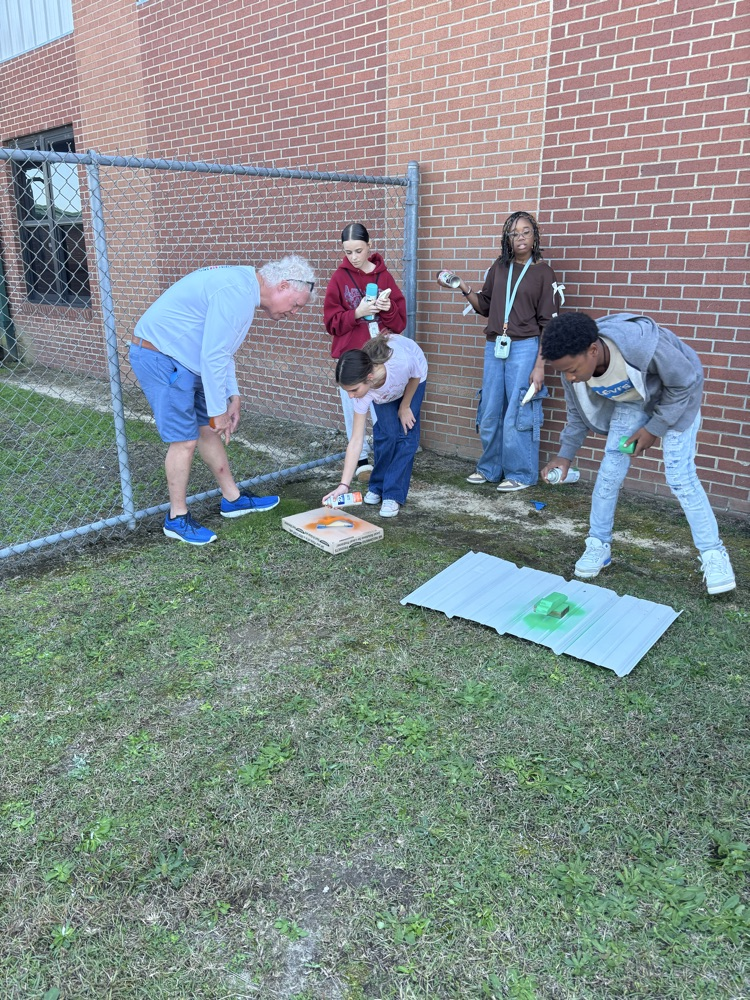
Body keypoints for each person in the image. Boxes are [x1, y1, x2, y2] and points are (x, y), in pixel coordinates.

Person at [540, 311, 736, 595]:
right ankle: (598, 544)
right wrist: (564, 455)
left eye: (572, 369)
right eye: (563, 372)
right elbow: (576, 415)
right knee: (609, 473)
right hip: (632, 401)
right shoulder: (572, 372)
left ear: (593, 350)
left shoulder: (642, 346)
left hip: (678, 397)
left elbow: (684, 382)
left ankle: (713, 555)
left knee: (680, 476)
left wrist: (654, 429)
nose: (570, 378)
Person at [130, 255, 315, 545]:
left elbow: (222, 350)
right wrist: (218, 412)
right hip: (161, 355)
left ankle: (233, 499)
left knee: (207, 430)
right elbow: (214, 355)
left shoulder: (245, 290)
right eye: (295, 305)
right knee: (185, 439)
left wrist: (233, 396)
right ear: (281, 286)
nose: (294, 312)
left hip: (190, 360)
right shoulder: (237, 293)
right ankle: (176, 518)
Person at [439, 211, 560, 491]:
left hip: (525, 347)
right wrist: (462, 286)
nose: (520, 237)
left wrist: (540, 366)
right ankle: (490, 468)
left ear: (535, 236)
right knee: (491, 406)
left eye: (526, 231)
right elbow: (485, 305)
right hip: (495, 346)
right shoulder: (499, 267)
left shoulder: (543, 272)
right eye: (514, 232)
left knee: (519, 409)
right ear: (507, 237)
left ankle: (520, 473)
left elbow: (548, 325)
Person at [323, 223, 407, 482]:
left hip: (380, 357)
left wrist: (387, 307)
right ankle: (360, 460)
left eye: (358, 250)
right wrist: (356, 313)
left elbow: (400, 323)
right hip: (351, 357)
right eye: (348, 252)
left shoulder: (384, 276)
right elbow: (331, 323)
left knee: (382, 409)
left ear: (369, 246)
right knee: (353, 408)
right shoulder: (339, 277)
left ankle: (385, 460)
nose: (354, 257)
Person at [322, 333, 427, 518]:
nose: (351, 396)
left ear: (369, 377)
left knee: (406, 435)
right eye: (347, 391)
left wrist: (405, 406)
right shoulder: (364, 392)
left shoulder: (400, 363)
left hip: (412, 379)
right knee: (387, 434)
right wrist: (343, 485)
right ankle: (378, 485)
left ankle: (392, 494)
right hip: (384, 390)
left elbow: (416, 375)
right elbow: (356, 440)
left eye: (354, 390)